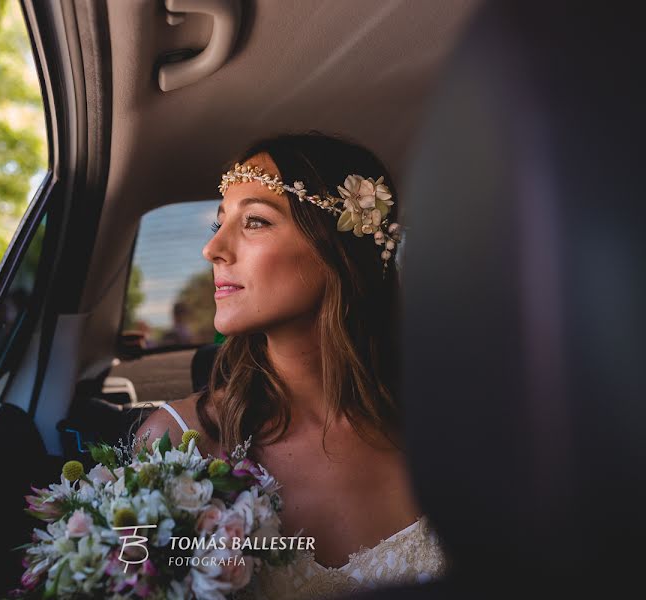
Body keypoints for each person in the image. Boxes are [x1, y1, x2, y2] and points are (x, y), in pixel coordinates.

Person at [138, 133, 445, 597]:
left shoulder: (445, 427)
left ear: (336, 249)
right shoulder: (182, 442)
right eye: (218, 224)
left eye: (255, 222)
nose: (213, 249)